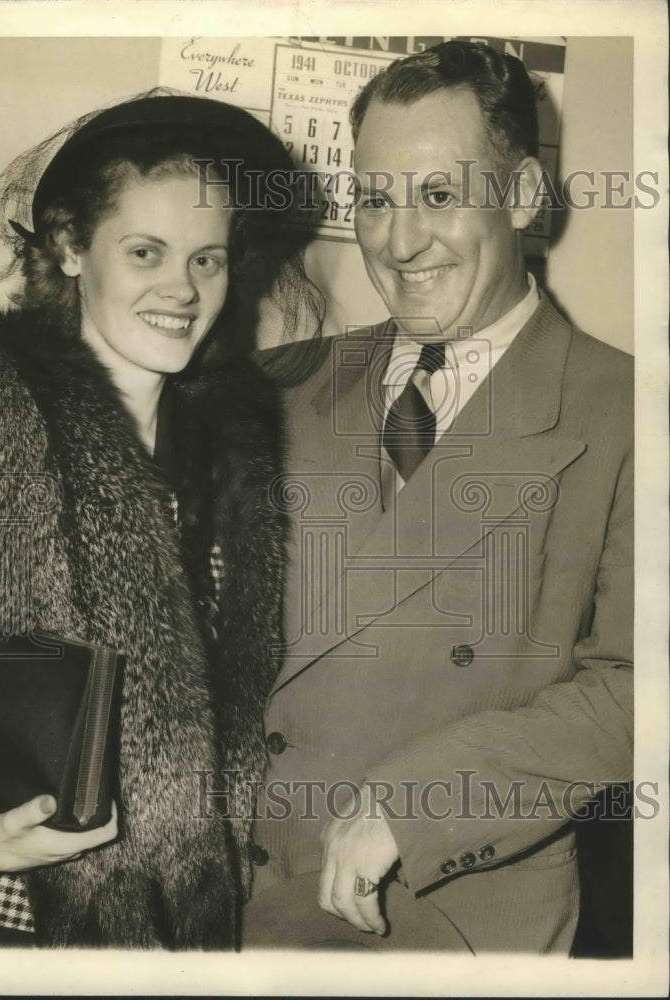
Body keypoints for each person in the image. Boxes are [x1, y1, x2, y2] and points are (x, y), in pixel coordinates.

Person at [243, 41, 633, 953]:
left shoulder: (629, 412)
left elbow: (640, 690)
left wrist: (419, 800)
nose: (399, 240)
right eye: (375, 200)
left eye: (439, 195)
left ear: (524, 195)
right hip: (239, 901)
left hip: (446, 916)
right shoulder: (274, 384)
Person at [0, 92, 321, 948]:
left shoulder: (236, 454)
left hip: (188, 938)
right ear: (70, 247)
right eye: (145, 251)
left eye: (207, 259)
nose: (182, 289)